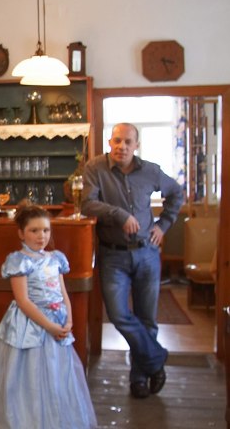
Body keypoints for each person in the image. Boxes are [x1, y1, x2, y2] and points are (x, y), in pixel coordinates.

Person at [81, 122, 184, 399]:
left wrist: (163, 226)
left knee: (147, 318)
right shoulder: (95, 168)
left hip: (147, 253)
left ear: (136, 145)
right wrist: (119, 214)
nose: (121, 146)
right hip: (112, 254)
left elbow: (177, 193)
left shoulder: (150, 170)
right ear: (109, 142)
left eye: (127, 142)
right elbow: (87, 204)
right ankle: (156, 359)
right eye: (116, 141)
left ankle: (139, 377)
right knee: (118, 315)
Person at [0, 204, 97, 429]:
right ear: (21, 233)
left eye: (46, 230)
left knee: (57, 373)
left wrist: (68, 320)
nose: (42, 236)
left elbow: (62, 293)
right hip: (31, 325)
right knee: (29, 376)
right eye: (34, 231)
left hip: (57, 323)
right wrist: (49, 326)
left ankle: (55, 419)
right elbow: (23, 301)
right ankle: (29, 421)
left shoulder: (56, 258)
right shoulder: (19, 261)